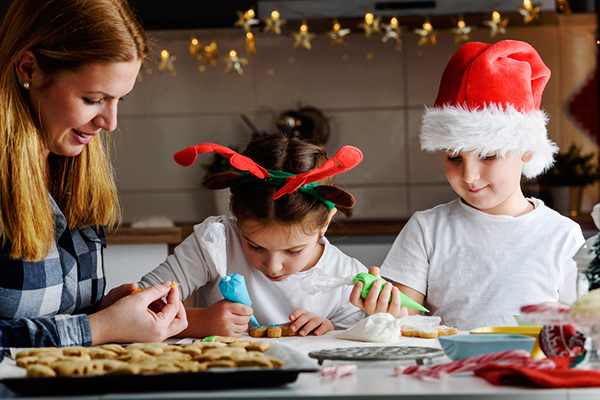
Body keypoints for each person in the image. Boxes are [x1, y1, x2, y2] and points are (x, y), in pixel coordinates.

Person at [350, 40, 585, 330]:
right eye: (453, 157)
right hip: (447, 372)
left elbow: (580, 326)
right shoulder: (427, 230)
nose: (469, 175)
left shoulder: (562, 236)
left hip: (530, 373)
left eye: (488, 155)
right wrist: (384, 314)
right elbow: (402, 324)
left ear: (526, 149)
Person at [0, 0, 187, 348]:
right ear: (28, 69)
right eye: (92, 99)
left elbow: (48, 319)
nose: (110, 123)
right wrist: (100, 328)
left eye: (119, 100)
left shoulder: (72, 171)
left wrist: (105, 311)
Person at [138, 133, 369, 338]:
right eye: (254, 246)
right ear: (235, 211)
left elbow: (351, 346)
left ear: (326, 221)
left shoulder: (347, 277)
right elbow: (136, 305)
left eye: (293, 251)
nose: (273, 266)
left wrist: (328, 330)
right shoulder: (215, 242)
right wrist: (199, 321)